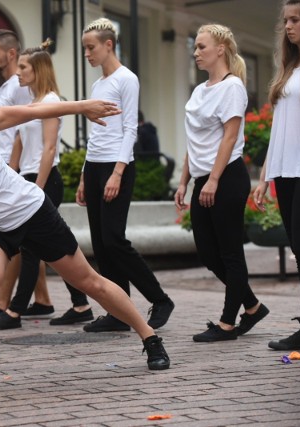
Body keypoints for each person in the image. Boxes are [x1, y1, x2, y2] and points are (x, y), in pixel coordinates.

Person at [0, 70, 171, 394]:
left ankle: (150, 337)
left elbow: (33, 111)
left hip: (29, 210)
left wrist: (83, 106)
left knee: (88, 281)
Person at [76, 18, 174, 333]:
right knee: (101, 245)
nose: (87, 54)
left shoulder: (126, 79)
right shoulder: (96, 85)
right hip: (95, 166)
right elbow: (96, 134)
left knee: (114, 240)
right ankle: (119, 313)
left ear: (108, 44)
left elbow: (130, 128)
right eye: (84, 49)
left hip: (117, 166)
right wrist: (83, 175)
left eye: (91, 48)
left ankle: (160, 300)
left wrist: (117, 173)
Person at [175, 24, 269, 342]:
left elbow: (230, 137)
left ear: (220, 50)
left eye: (201, 47)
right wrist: (184, 181)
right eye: (195, 47)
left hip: (226, 177)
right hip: (203, 178)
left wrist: (213, 180)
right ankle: (252, 306)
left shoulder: (232, 88)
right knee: (207, 253)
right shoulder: (199, 91)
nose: (196, 52)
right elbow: (194, 142)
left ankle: (228, 322)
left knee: (230, 252)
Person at [0, 39, 92, 330]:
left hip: (45, 180)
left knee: (31, 248)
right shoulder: (32, 103)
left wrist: (38, 185)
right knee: (49, 246)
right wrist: (11, 176)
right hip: (28, 178)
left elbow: (50, 148)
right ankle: (81, 304)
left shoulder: (51, 101)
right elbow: (20, 142)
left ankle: (14, 311)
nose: (18, 73)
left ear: (37, 70)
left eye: (23, 67)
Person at [255, 0, 300, 351]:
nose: (289, 26)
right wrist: (266, 176)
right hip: (288, 170)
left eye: (296, 19)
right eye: (286, 20)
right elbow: (281, 129)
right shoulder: (291, 69)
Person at [0, 29, 53, 315]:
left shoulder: (20, 85)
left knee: (14, 238)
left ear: (11, 54)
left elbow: (25, 133)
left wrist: (11, 169)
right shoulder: (6, 88)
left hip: (15, 170)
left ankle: (3, 303)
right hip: (11, 168)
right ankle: (43, 299)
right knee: (29, 241)